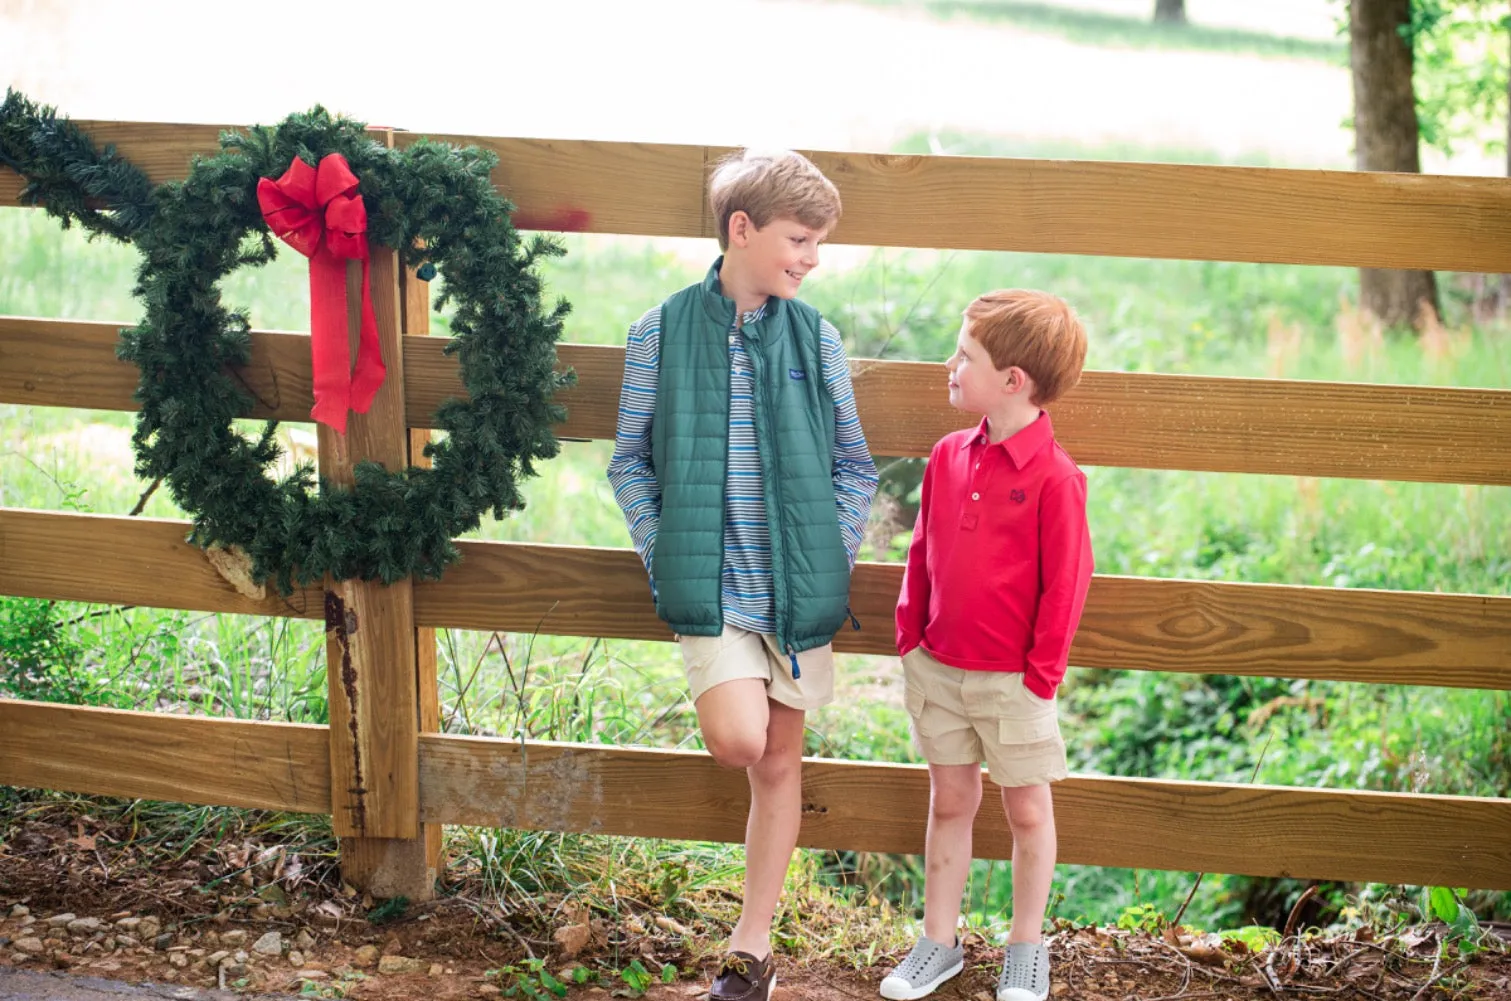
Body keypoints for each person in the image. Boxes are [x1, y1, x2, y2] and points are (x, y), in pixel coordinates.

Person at [607, 148, 878, 1001]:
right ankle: (750, 939)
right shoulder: (660, 330)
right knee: (740, 740)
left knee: (780, 762)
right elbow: (627, 462)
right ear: (741, 229)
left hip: (796, 592)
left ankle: (750, 947)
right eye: (799, 239)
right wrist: (663, 547)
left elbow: (854, 465)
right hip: (712, 590)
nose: (810, 258)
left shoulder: (814, 336)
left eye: (818, 244)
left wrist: (830, 549)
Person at [881, 290, 1093, 1001]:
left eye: (963, 354)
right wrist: (910, 632)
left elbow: (1066, 582)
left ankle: (1025, 950)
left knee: (1027, 811)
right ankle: (935, 942)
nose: (949, 363)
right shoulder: (946, 455)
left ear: (1013, 381)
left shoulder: (1055, 478)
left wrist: (1041, 675)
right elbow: (921, 549)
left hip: (1013, 682)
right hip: (937, 667)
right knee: (949, 800)